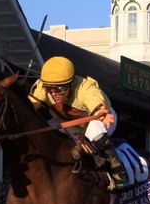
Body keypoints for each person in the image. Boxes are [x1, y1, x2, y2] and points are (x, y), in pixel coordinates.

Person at [30, 56, 129, 190]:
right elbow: (30, 105)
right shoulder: (43, 87)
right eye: (50, 89)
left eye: (60, 89)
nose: (54, 94)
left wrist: (102, 113)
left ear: (71, 84)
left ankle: (118, 171)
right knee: (45, 130)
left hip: (97, 119)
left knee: (95, 129)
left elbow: (95, 101)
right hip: (67, 122)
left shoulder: (84, 87)